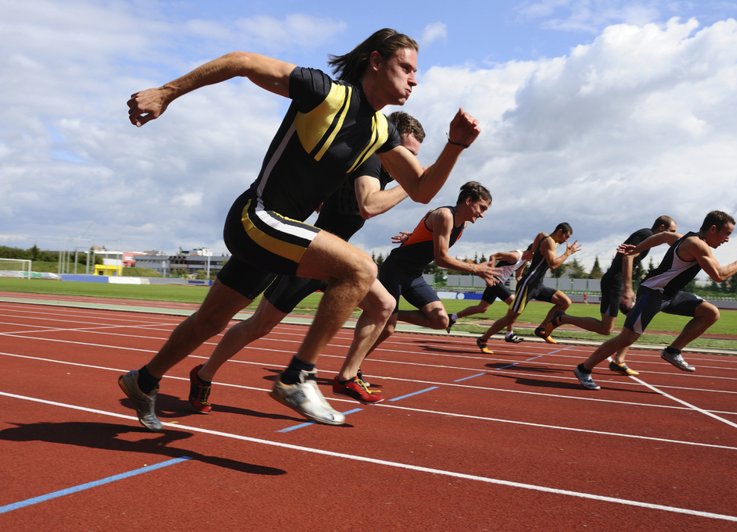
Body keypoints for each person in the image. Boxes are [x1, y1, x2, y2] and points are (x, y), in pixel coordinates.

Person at [118, 28, 481, 431]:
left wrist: (455, 145)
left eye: (416, 72)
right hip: (255, 216)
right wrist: (167, 92)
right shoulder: (324, 92)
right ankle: (298, 376)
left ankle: (144, 380)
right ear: (376, 62)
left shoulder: (380, 131)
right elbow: (241, 60)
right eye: (407, 68)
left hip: (282, 232)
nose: (415, 79)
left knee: (210, 321)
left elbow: (422, 189)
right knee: (360, 269)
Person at [187, 111, 425, 413]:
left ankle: (348, 376)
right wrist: (412, 184)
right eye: (408, 154)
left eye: (416, 157)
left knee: (384, 306)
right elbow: (369, 205)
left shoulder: (377, 168)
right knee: (260, 325)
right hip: (312, 256)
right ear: (392, 141)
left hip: (341, 262)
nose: (412, 163)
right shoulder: (372, 159)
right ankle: (204, 374)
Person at [573, 210, 737, 390]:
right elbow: (719, 275)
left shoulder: (685, 237)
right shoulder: (697, 245)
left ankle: (672, 351)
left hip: (670, 294)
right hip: (653, 293)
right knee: (627, 337)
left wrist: (637, 248)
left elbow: (664, 236)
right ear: (713, 229)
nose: (727, 240)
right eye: (726, 234)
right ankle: (584, 368)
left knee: (710, 313)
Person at [342, 181, 499, 386]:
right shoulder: (445, 215)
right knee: (388, 330)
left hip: (414, 276)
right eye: (482, 208)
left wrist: (412, 236)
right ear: (469, 201)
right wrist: (477, 269)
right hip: (396, 270)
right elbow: (441, 259)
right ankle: (354, 367)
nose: (482, 214)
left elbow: (427, 233)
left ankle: (387, 314)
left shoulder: (461, 224)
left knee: (440, 320)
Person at [542, 215, 678, 375]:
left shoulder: (647, 238)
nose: (674, 235)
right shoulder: (646, 234)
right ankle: (562, 318)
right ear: (662, 228)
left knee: (635, 321)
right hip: (614, 282)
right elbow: (627, 257)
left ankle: (619, 360)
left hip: (618, 281)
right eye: (672, 231)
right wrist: (628, 288)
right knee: (606, 329)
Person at [475, 223, 580, 354]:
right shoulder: (549, 242)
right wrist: (567, 253)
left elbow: (537, 239)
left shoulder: (545, 237)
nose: (567, 240)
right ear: (559, 231)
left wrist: (532, 253)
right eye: (567, 236)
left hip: (538, 285)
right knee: (510, 318)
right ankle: (483, 339)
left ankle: (542, 329)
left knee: (565, 302)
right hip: (528, 286)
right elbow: (553, 265)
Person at [446, 244, 534, 342]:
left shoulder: (524, 261)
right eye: (537, 256)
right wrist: (490, 275)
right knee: (514, 304)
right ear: (532, 251)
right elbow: (494, 256)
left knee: (482, 308)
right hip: (495, 280)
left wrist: (524, 285)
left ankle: (452, 317)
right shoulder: (515, 256)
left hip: (497, 282)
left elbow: (518, 275)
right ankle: (509, 334)